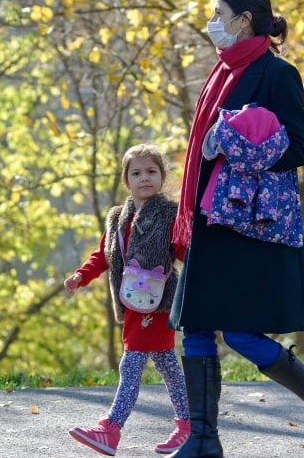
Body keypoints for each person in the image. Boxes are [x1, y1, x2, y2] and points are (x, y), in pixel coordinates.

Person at [168, 0, 304, 458]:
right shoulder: (220, 73)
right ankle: (204, 440)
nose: (213, 20)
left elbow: (298, 148)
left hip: (249, 223)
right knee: (198, 326)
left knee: (243, 333)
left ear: (243, 19)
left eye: (218, 12)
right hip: (211, 218)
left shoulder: (277, 73)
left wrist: (233, 144)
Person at [65, 144, 190, 456]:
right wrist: (81, 276)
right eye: (136, 172)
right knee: (167, 364)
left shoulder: (169, 215)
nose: (144, 178)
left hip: (158, 302)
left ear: (162, 177)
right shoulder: (118, 218)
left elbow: (183, 251)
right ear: (126, 180)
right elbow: (103, 256)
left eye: (151, 171)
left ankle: (111, 428)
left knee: (131, 364)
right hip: (132, 303)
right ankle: (190, 426)